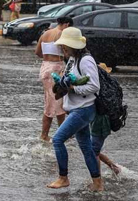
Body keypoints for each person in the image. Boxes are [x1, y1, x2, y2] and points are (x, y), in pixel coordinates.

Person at [47, 27, 103, 192]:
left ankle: (63, 178)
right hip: (77, 108)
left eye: (65, 46)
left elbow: (94, 85)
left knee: (57, 140)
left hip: (84, 109)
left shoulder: (86, 60)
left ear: (74, 46)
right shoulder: (72, 59)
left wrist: (73, 89)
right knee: (86, 147)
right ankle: (98, 183)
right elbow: (68, 81)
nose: (63, 49)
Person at [34, 16, 73, 142]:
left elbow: (37, 52)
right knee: (57, 103)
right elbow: (67, 52)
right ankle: (52, 134)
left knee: (52, 101)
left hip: (45, 67)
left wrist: (48, 55)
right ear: (66, 25)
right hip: (55, 69)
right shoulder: (61, 34)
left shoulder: (45, 33)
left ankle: (55, 133)